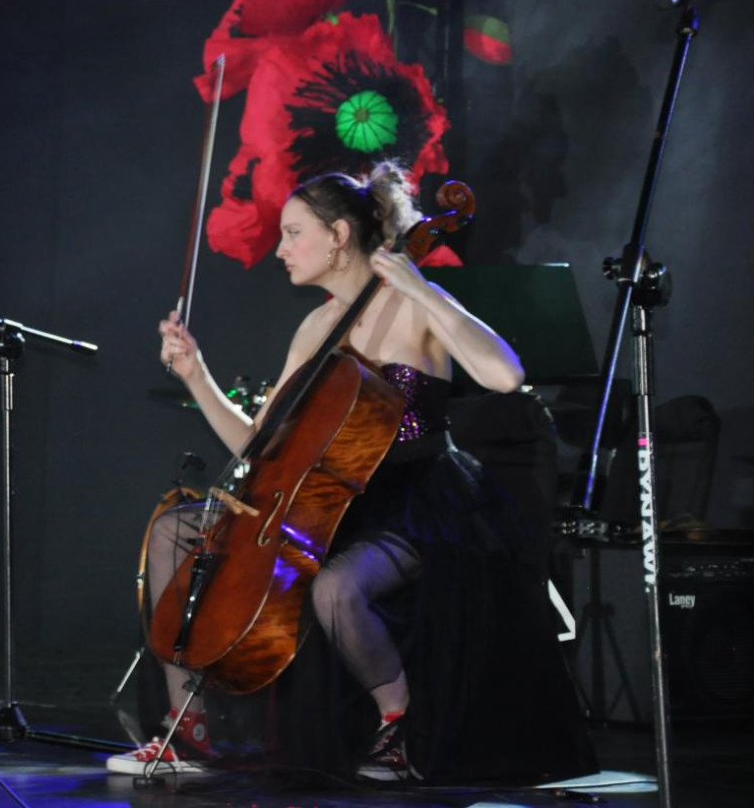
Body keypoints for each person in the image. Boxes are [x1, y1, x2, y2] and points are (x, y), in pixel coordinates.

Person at [109, 163, 591, 785]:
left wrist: (424, 290)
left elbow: (505, 376)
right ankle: (189, 729)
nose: (279, 249)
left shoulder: (413, 303)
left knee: (337, 590)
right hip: (330, 500)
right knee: (173, 534)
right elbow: (260, 444)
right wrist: (196, 375)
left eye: (293, 233)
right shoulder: (316, 327)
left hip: (417, 498)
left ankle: (398, 722)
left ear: (338, 235)